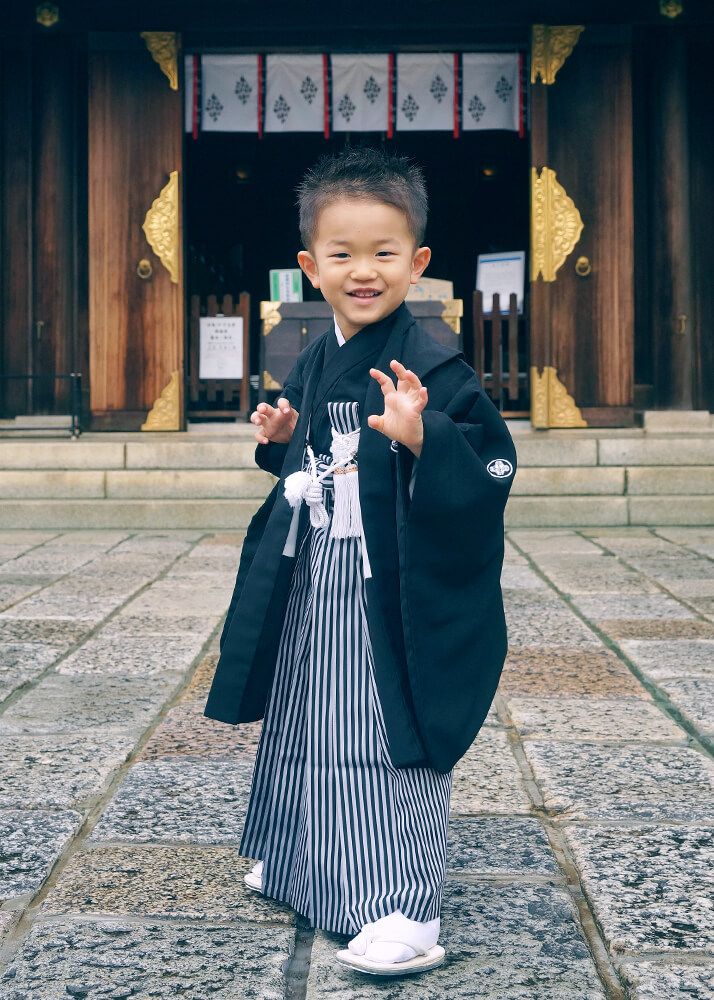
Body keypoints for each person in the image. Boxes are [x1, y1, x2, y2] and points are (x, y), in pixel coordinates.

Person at [203, 146, 517, 976]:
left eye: (384, 253)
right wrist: (281, 444)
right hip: (318, 574)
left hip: (389, 589)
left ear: (417, 262)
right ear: (310, 265)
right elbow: (316, 455)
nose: (363, 272)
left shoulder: (438, 366)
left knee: (382, 727)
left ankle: (405, 904)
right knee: (308, 711)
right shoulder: (316, 355)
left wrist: (425, 436)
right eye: (341, 254)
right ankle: (308, 866)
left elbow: (492, 467)